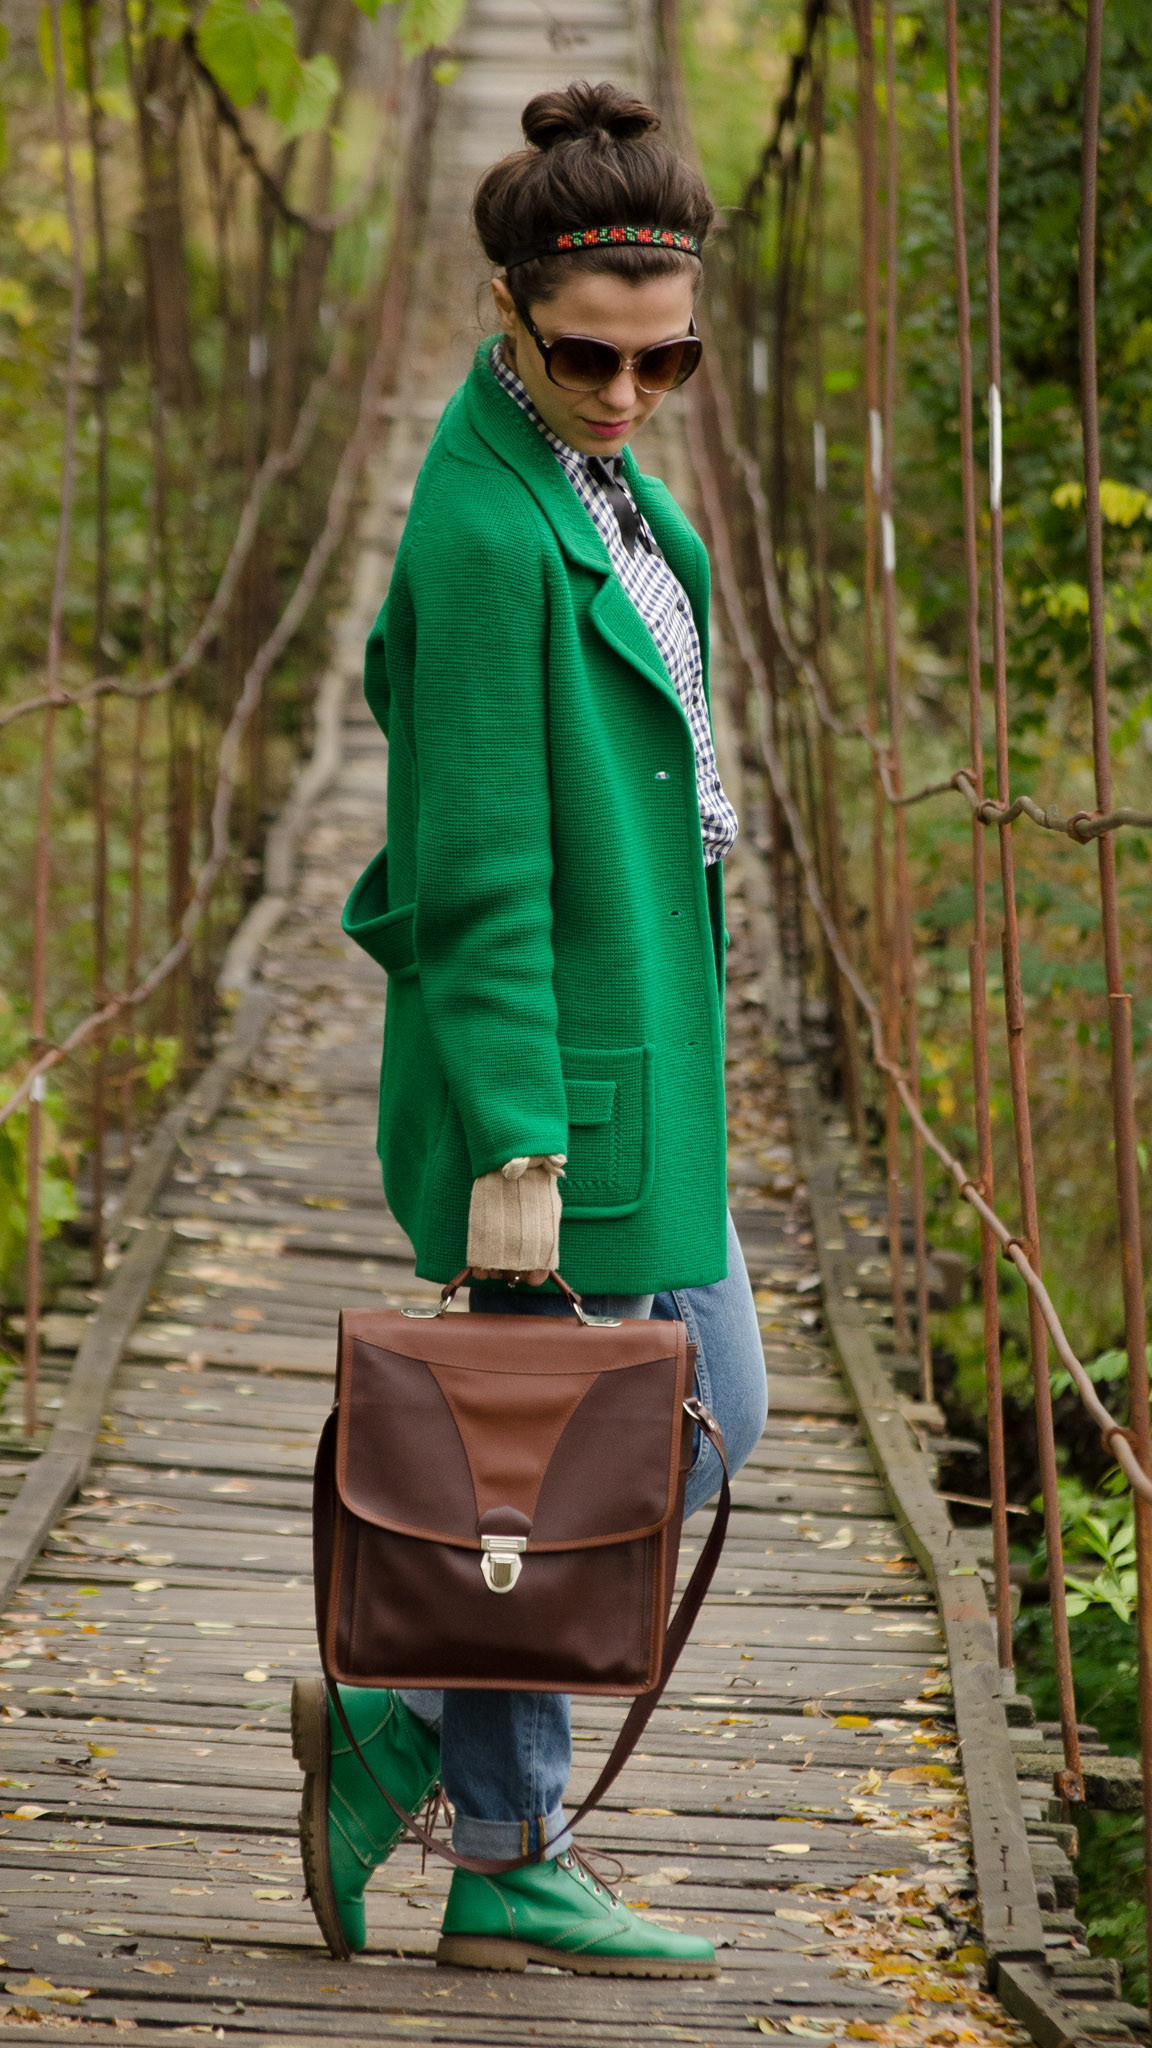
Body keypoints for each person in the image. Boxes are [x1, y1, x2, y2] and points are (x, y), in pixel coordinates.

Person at [292, 77, 768, 1980]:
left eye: (672, 360)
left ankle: (411, 1748)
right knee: (586, 1451)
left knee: (640, 1436)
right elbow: (479, 868)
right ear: (507, 315)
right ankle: (495, 1842)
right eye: (590, 355)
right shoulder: (489, 536)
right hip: (562, 1092)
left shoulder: (598, 480)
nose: (631, 392)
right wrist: (514, 1147)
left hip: (641, 1057)